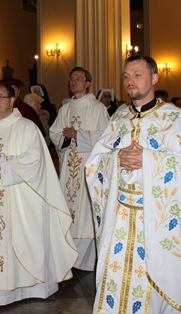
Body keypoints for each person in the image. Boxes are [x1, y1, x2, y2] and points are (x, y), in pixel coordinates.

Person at [84, 55, 181, 314]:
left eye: (137, 75)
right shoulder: (119, 118)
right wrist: (117, 158)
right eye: (126, 76)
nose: (130, 81)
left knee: (155, 279)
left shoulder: (174, 118)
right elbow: (95, 162)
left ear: (154, 78)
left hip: (159, 219)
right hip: (121, 217)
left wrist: (147, 159)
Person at [0, 83, 77, 306]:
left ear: (12, 100)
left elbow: (35, 159)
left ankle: (28, 287)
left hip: (21, 199)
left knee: (24, 240)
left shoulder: (27, 127)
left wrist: (4, 163)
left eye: (0, 97)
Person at [50, 67, 109, 271]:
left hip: (87, 168)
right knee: (68, 209)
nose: (74, 82)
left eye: (79, 79)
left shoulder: (97, 108)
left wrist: (79, 135)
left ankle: (85, 262)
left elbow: (105, 136)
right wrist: (65, 137)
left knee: (85, 214)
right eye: (71, 79)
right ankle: (66, 257)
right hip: (68, 167)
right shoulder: (65, 109)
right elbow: (54, 132)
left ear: (88, 84)